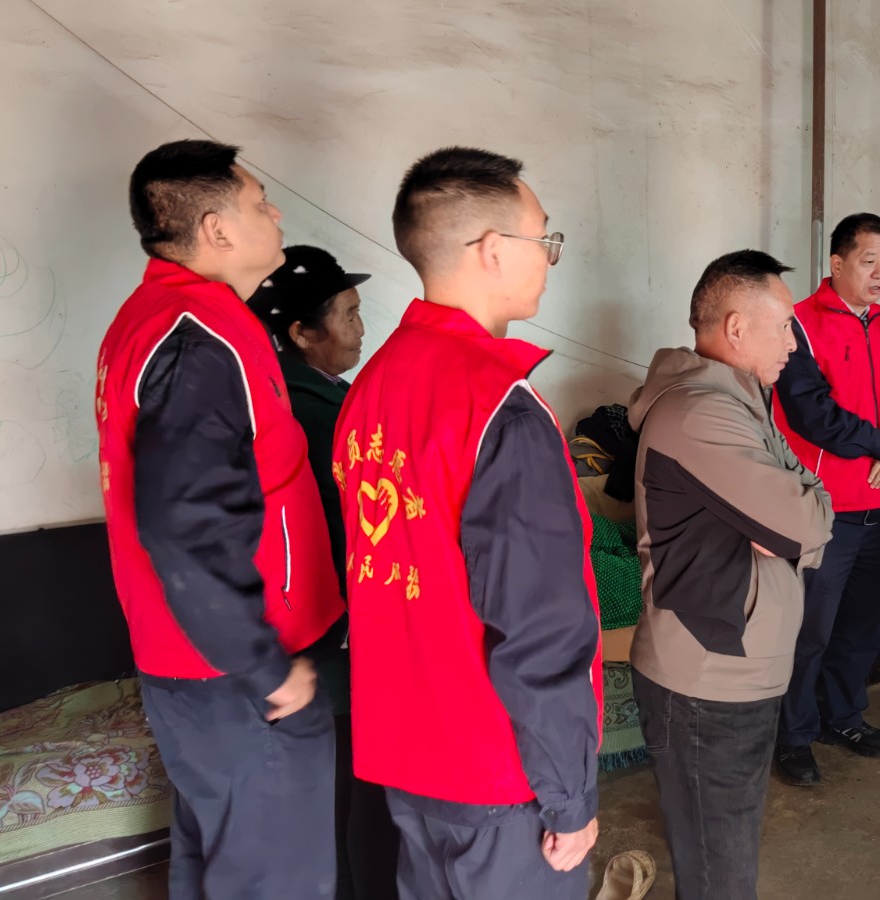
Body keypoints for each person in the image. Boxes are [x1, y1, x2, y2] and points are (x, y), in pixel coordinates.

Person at [334, 146, 602, 900]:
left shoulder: (371, 385)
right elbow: (541, 624)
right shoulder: (497, 405)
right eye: (544, 239)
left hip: (404, 754)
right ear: (492, 250)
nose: (550, 258)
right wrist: (570, 795)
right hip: (497, 770)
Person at [94, 139, 346, 898]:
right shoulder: (198, 336)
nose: (276, 214)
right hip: (240, 674)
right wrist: (264, 664)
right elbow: (183, 518)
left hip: (198, 662)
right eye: (260, 202)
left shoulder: (157, 316)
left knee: (218, 861)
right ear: (216, 229)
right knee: (277, 875)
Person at [628, 250, 835, 899]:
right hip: (708, 680)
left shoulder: (742, 404)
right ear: (738, 328)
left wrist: (794, 512)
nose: (794, 343)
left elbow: (803, 502)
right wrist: (796, 514)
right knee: (719, 872)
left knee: (723, 855)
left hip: (737, 668)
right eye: (785, 325)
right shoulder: (701, 414)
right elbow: (805, 521)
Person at [251, 247, 398, 899]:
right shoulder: (311, 415)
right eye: (348, 315)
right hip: (328, 637)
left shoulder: (305, 394)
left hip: (321, 634)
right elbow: (347, 534)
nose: (361, 329)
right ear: (302, 334)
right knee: (349, 799)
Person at [771, 213, 880, 786]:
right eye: (869, 261)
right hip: (824, 505)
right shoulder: (799, 324)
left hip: (879, 502)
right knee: (809, 628)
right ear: (837, 264)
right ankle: (792, 735)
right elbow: (810, 412)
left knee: (863, 622)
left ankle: (843, 717)